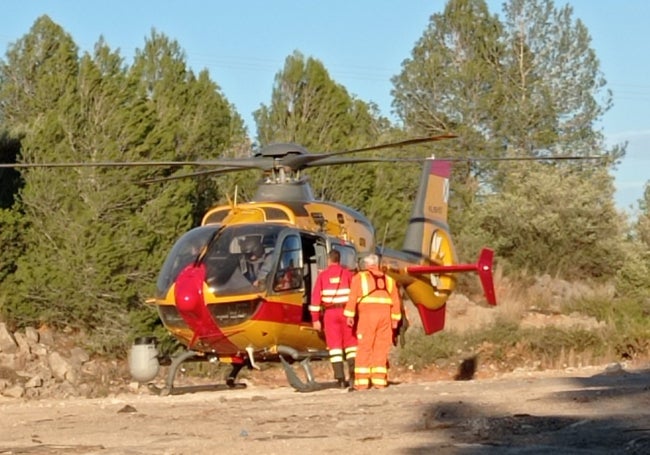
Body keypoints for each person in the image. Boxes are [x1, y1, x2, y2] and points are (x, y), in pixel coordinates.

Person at [344, 254, 401, 390]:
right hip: (385, 316)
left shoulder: (360, 278)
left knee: (365, 347)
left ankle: (362, 382)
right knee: (381, 347)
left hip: (367, 316)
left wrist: (349, 315)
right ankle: (379, 381)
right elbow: (396, 301)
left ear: (366, 265)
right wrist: (395, 320)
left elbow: (352, 297)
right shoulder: (389, 280)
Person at [310, 249, 357, 388]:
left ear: (329, 260)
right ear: (339, 259)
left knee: (334, 347)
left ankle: (340, 379)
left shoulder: (322, 276)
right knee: (351, 345)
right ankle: (353, 376)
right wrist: (353, 313)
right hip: (346, 312)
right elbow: (354, 295)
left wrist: (315, 319)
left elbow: (315, 300)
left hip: (330, 314)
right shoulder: (348, 274)